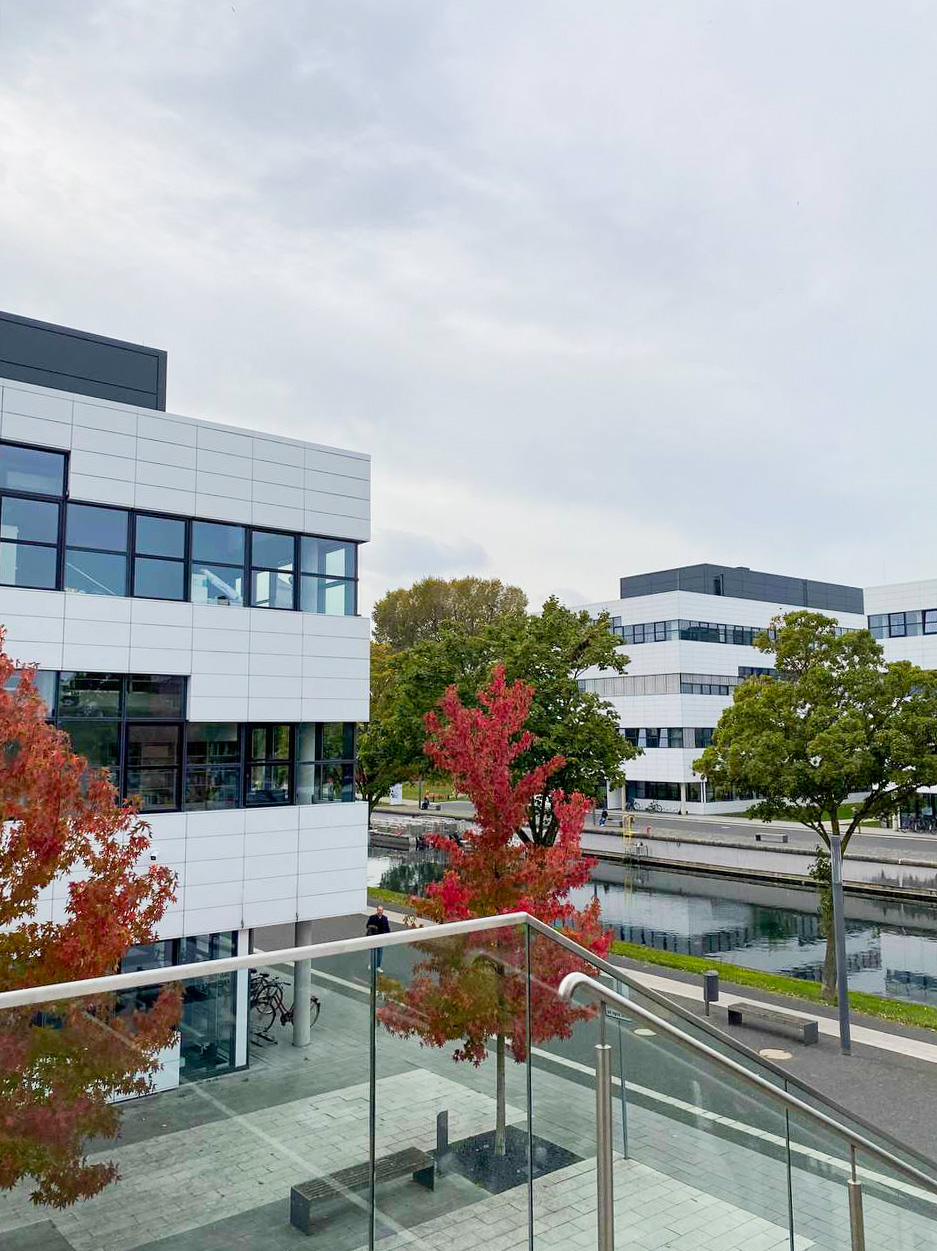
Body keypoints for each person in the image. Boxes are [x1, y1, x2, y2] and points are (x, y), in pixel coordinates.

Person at [365, 905, 391, 970]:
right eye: (379, 910)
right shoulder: (372, 917)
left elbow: (387, 928)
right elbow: (367, 925)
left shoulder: (385, 918)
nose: (380, 911)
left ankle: (378, 966)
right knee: (373, 952)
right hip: (374, 938)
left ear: (383, 911)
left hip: (381, 938)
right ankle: (371, 964)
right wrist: (373, 927)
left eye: (381, 910)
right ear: (377, 910)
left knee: (380, 953)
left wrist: (388, 936)